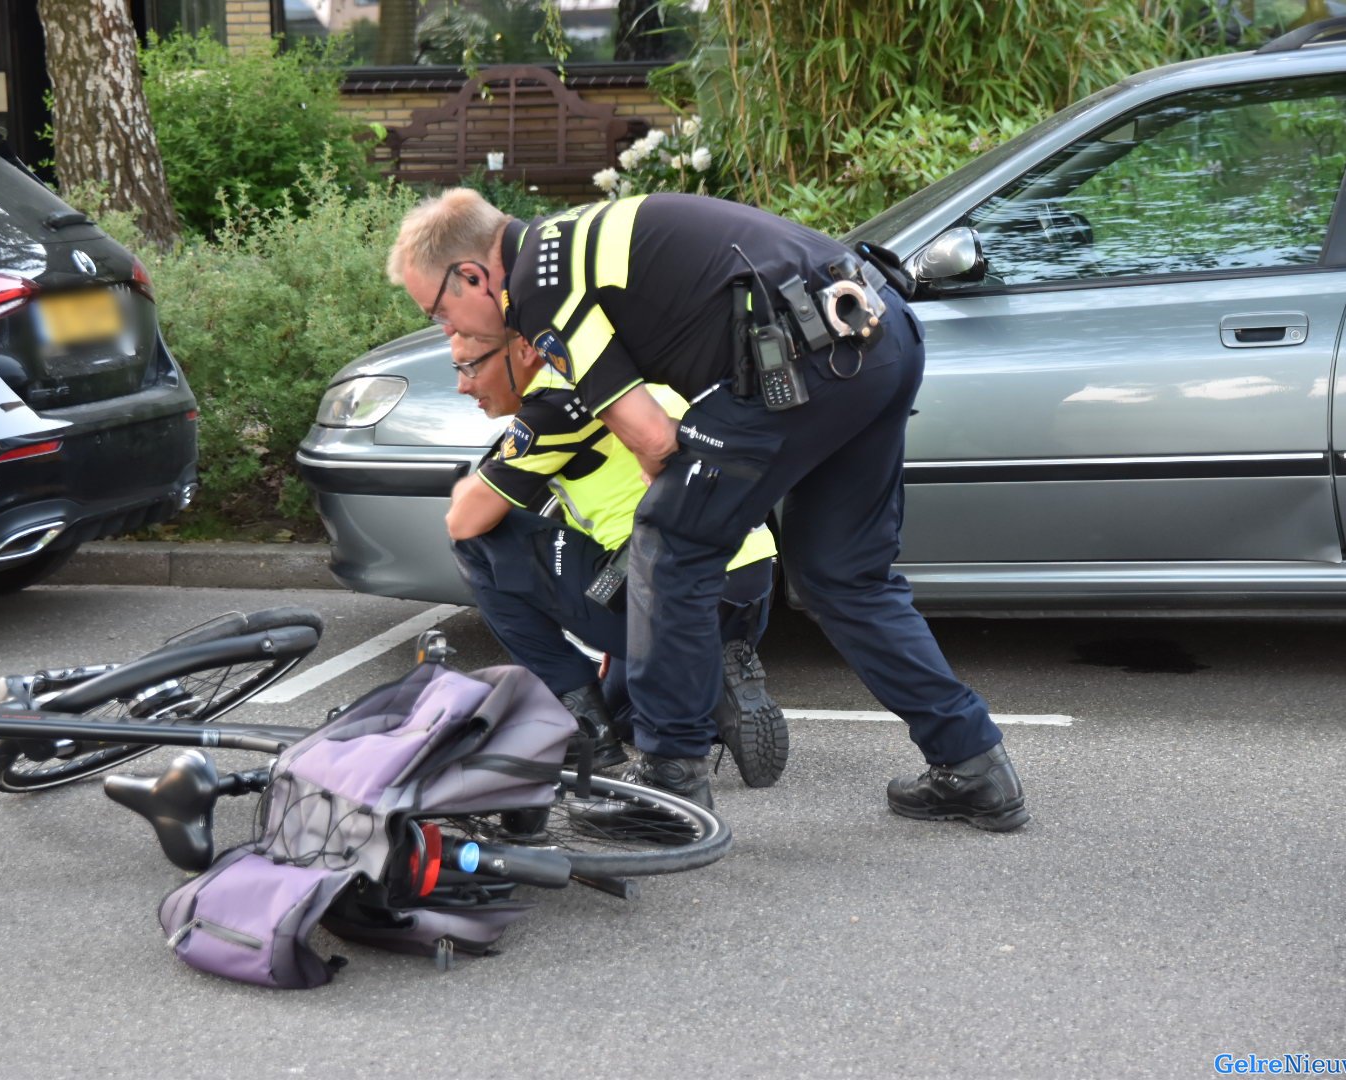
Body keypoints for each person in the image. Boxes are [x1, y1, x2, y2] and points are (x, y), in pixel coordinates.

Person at [387, 189, 1028, 830]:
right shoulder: (571, 240)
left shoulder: (537, 284)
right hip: (876, 337)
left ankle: (670, 788)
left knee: (669, 550)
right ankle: (972, 763)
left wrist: (690, 513)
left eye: (440, 311)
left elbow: (652, 436)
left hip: (796, 361)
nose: (450, 330)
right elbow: (653, 438)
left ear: (472, 275)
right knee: (843, 575)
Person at [444, 328, 788, 788]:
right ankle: (720, 694)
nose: (462, 385)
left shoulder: (556, 406)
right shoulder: (626, 380)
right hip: (749, 582)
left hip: (668, 589)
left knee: (478, 543)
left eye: (469, 366)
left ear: (524, 349)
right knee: (627, 713)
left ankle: (582, 726)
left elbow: (463, 520)